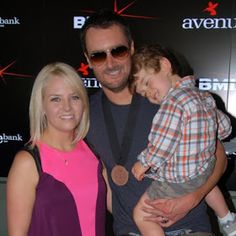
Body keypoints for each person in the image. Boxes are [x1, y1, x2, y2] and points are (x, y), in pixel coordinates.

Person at [81, 9, 228, 236]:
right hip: (130, 230)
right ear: (88, 60)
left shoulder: (165, 97)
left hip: (189, 227)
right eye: (98, 55)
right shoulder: (84, 113)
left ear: (131, 48)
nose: (110, 63)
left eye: (117, 51)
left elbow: (218, 155)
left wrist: (192, 199)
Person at [130, 44, 236, 236]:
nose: (149, 94)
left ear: (164, 64)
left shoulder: (172, 104)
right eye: (144, 94)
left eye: (147, 83)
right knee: (204, 178)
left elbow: (162, 142)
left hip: (180, 177)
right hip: (203, 168)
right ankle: (227, 219)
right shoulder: (204, 97)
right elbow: (225, 127)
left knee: (141, 215)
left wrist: (143, 163)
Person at [6, 62, 106, 236]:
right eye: (56, 99)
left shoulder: (93, 151)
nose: (67, 107)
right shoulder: (27, 162)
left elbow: (120, 204)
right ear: (42, 106)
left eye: (75, 97)